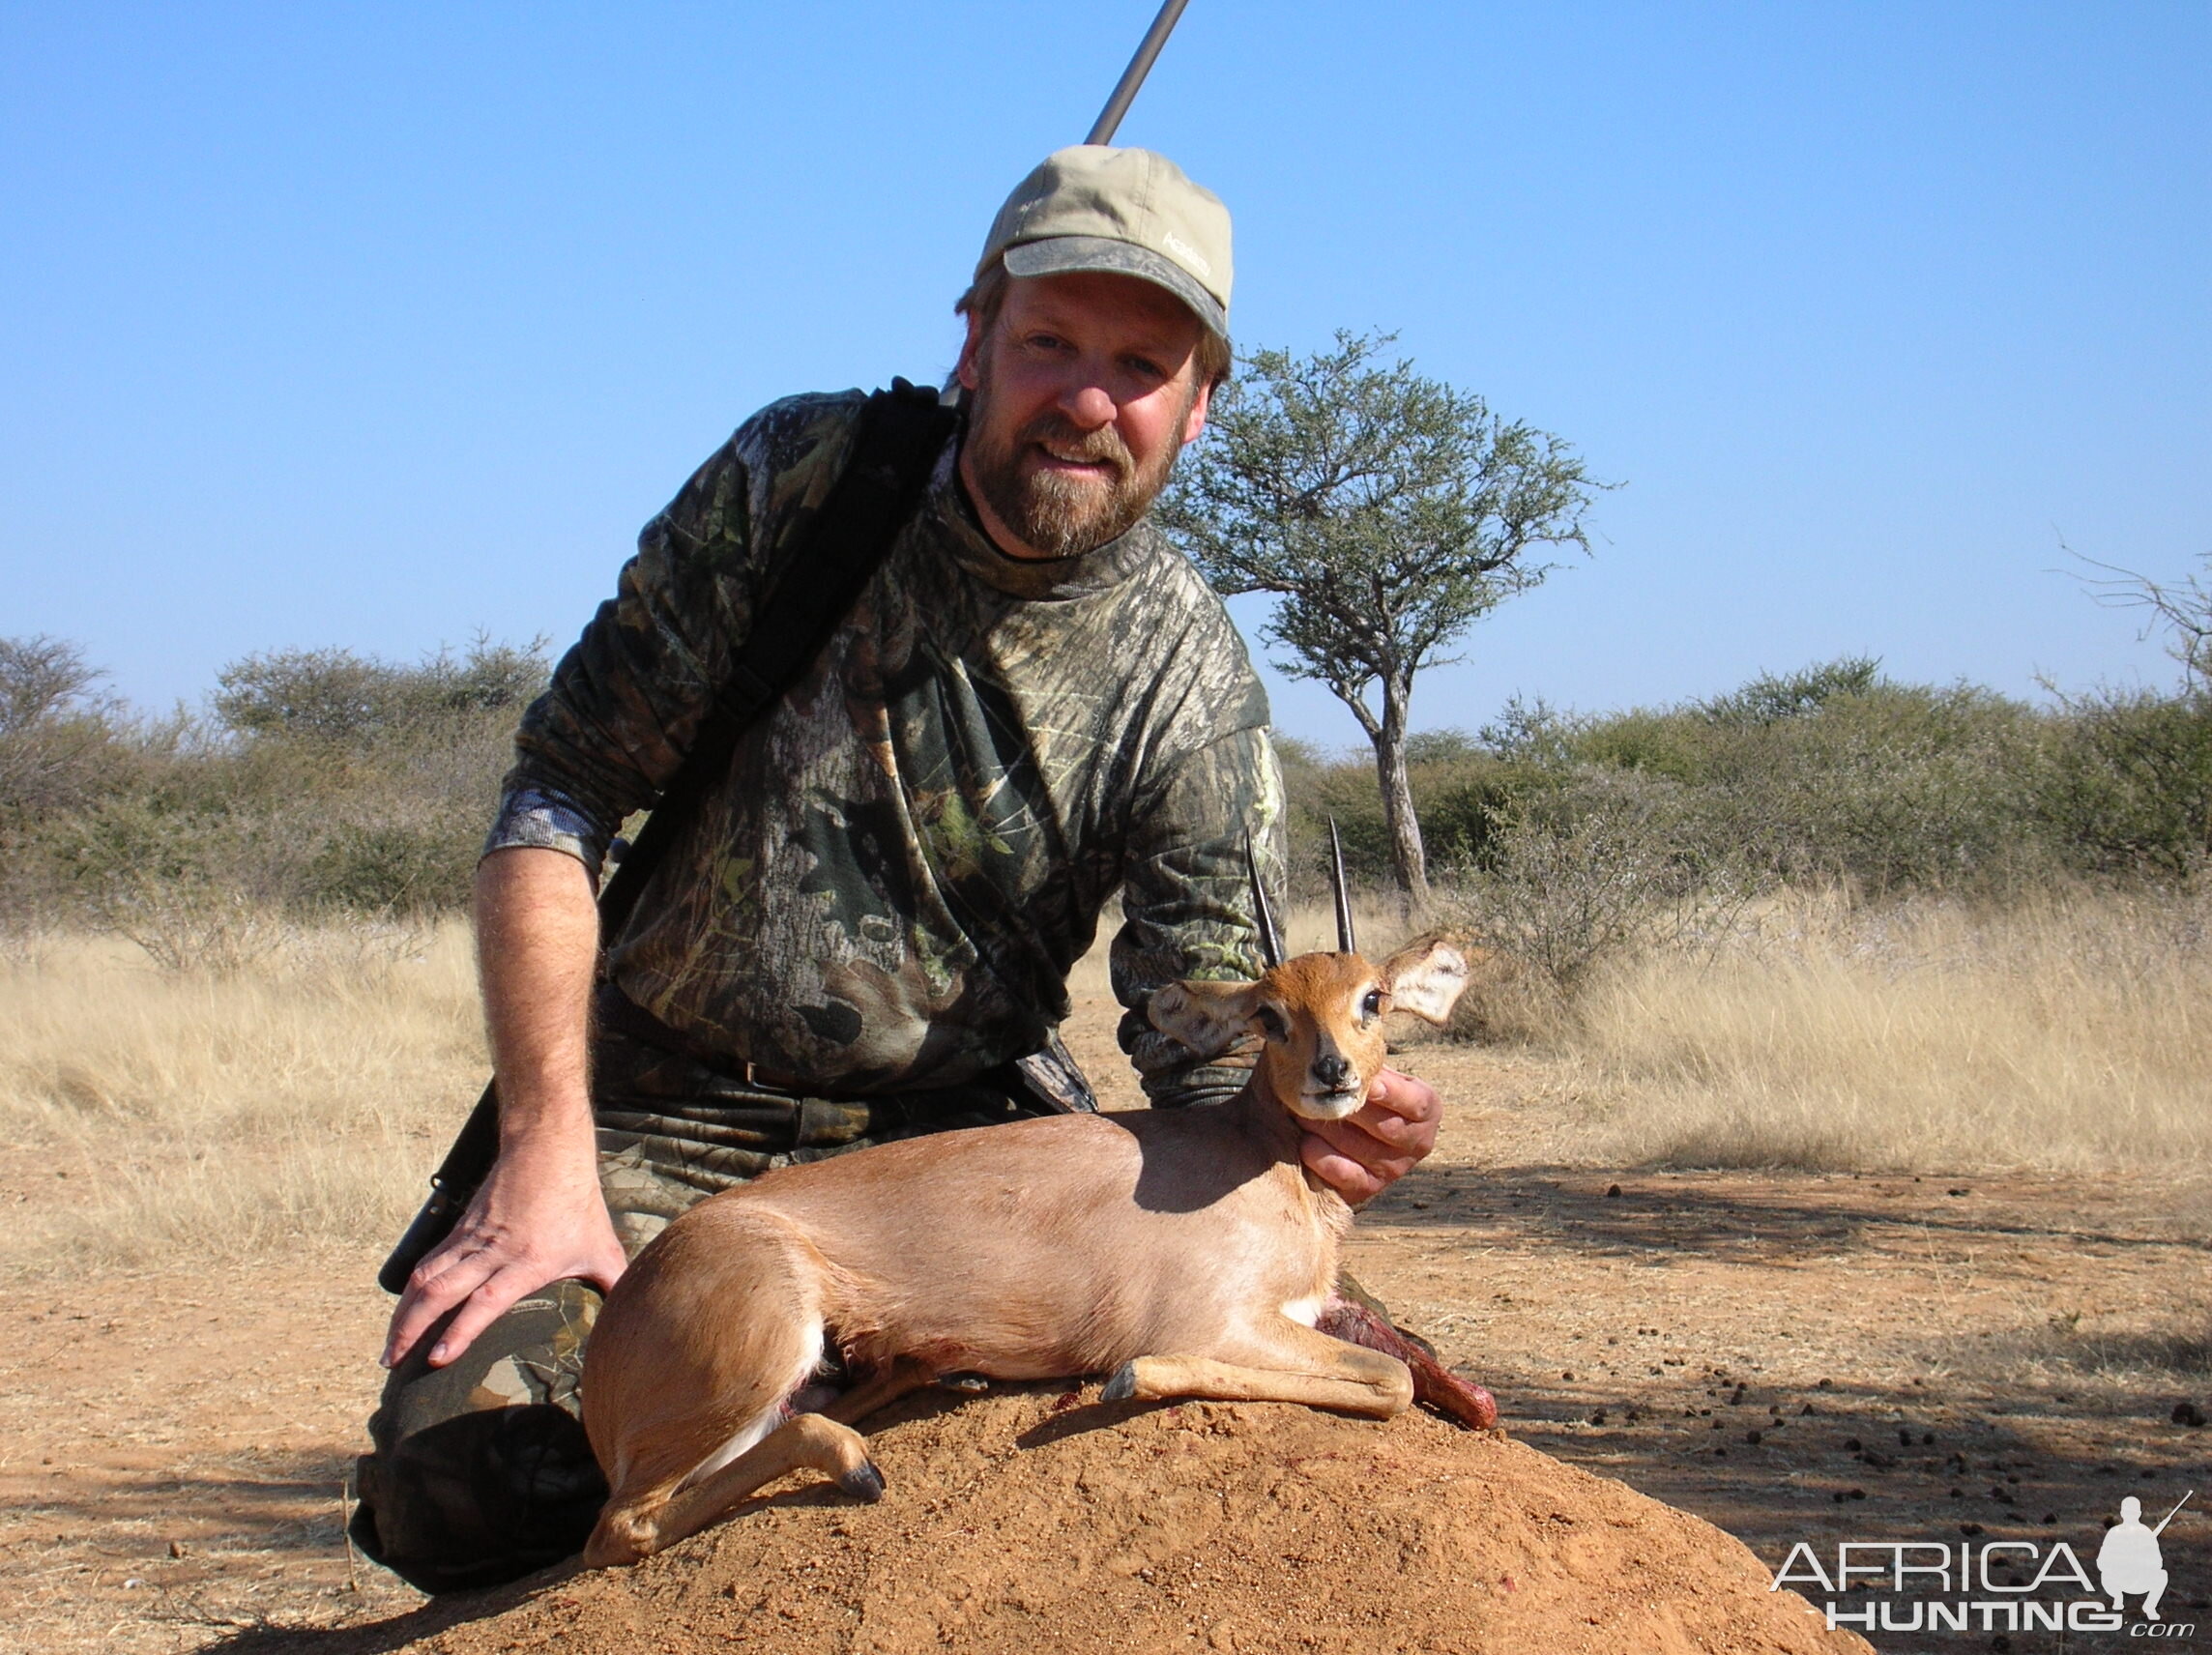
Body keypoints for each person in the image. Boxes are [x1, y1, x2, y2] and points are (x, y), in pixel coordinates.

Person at [349, 144, 1442, 1594]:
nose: (1089, 399)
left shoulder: (1192, 684)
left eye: (1142, 362)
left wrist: (1324, 1186)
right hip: (660, 1110)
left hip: (951, 1148)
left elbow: (1202, 1045)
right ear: (975, 338)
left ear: (1200, 403)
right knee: (465, 1480)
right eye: (1049, 341)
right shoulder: (802, 484)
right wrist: (546, 1162)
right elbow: (562, 791)